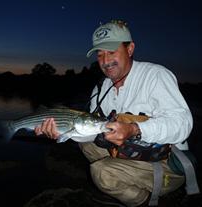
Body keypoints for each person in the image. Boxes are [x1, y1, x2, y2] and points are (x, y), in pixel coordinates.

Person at [34, 20, 195, 206]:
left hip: (166, 164)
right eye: (100, 54)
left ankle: (145, 201)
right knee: (83, 142)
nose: (105, 61)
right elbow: (91, 129)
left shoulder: (155, 76)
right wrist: (62, 132)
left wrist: (134, 129)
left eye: (111, 52)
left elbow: (183, 124)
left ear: (130, 49)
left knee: (102, 173)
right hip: (129, 153)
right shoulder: (101, 88)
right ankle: (122, 183)